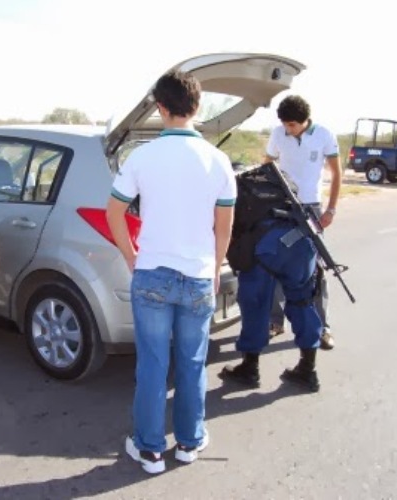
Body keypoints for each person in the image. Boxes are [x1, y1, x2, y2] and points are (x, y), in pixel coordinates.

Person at [106, 70, 236, 475]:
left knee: (152, 365)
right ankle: (189, 443)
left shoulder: (141, 157)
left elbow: (114, 212)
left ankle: (149, 450)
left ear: (160, 108)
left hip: (152, 274)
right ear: (197, 106)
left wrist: (131, 256)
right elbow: (224, 227)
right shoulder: (218, 161)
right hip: (198, 275)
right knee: (192, 363)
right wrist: (215, 267)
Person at [219, 162, 322, 392]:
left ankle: (249, 368)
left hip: (266, 248)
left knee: (255, 305)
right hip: (301, 243)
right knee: (303, 302)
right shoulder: (279, 181)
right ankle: (308, 369)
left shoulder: (236, 187)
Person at [264, 95, 341, 350]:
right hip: (282, 208)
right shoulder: (278, 134)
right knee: (273, 264)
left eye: (292, 125)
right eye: (285, 125)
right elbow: (267, 164)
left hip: (311, 209)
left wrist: (331, 209)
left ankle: (323, 327)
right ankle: (275, 321)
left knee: (315, 269)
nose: (288, 130)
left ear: (305, 121)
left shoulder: (324, 135)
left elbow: (336, 173)